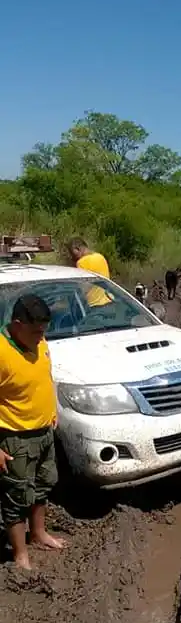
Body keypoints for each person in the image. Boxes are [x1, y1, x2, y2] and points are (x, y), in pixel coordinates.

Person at [0, 295, 66, 571]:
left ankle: (38, 533)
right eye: (37, 331)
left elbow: (43, 378)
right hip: (15, 438)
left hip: (44, 432)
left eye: (44, 330)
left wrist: (52, 411)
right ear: (17, 325)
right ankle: (20, 553)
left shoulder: (38, 342)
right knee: (16, 498)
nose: (42, 337)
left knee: (43, 485)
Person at [68, 237, 112, 308]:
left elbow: (84, 288)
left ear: (77, 249)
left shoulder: (82, 262)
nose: (72, 257)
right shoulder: (100, 257)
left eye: (72, 253)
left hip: (94, 305)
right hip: (108, 300)